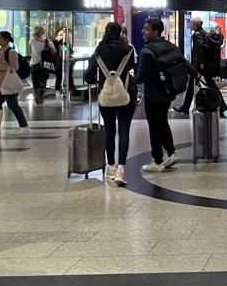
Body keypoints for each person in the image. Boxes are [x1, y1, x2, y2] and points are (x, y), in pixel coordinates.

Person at [133, 17, 201, 172]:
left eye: (147, 29)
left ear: (155, 32)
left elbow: (142, 76)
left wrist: (129, 82)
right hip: (168, 92)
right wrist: (197, 75)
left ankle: (157, 160)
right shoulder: (170, 46)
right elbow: (185, 63)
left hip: (153, 94)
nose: (143, 31)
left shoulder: (147, 51)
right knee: (163, 122)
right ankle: (171, 153)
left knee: (154, 126)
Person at [85, 22, 137, 186]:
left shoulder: (99, 51)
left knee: (109, 129)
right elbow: (131, 66)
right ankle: (122, 168)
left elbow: (88, 76)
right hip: (126, 93)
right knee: (124, 129)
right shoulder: (128, 50)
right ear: (120, 33)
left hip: (106, 95)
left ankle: (111, 166)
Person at [0, 30, 29, 132]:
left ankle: (24, 125)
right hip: (0, 84)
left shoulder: (11, 52)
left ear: (6, 39)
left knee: (12, 104)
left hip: (8, 84)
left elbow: (15, 67)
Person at [176, 18, 206, 114]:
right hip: (200, 63)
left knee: (192, 85)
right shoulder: (203, 33)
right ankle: (185, 107)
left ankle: (185, 107)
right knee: (194, 86)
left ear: (196, 24)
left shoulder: (197, 35)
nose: (191, 25)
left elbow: (199, 50)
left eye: (192, 23)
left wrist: (198, 64)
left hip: (198, 64)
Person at [29, 26, 56, 104]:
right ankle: (41, 98)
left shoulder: (32, 41)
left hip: (34, 64)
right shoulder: (47, 42)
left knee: (35, 82)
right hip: (44, 65)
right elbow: (54, 51)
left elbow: (30, 52)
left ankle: (37, 98)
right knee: (43, 82)